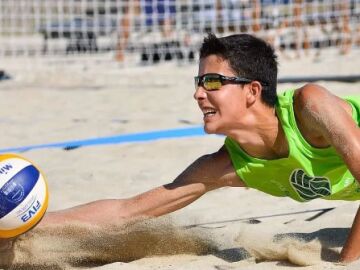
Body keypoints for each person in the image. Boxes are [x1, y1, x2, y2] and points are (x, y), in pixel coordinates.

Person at [3, 33, 360, 263]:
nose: (198, 93)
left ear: (253, 91)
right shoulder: (226, 166)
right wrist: (32, 225)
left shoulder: (310, 108)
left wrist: (347, 263)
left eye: (213, 81)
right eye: (198, 81)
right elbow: (126, 212)